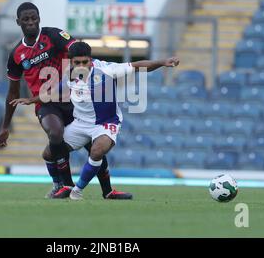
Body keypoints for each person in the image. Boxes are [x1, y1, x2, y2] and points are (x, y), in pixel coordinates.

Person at [0, 2, 132, 200]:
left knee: (93, 143)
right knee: (55, 132)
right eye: (26, 19)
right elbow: (12, 92)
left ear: (39, 18)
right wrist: (5, 126)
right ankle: (65, 184)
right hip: (46, 103)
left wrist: (87, 66)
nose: (31, 22)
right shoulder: (16, 54)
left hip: (72, 98)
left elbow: (74, 48)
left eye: (34, 18)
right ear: (18, 22)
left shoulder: (53, 36)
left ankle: (108, 191)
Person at [11, 41, 180, 200]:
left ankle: (76, 192)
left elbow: (138, 66)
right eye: (77, 63)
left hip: (106, 124)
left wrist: (163, 61)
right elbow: (56, 91)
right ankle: (60, 186)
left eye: (86, 62)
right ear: (70, 62)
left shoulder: (106, 69)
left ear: (91, 60)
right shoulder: (69, 75)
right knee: (49, 154)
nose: (82, 67)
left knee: (97, 151)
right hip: (80, 124)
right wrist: (31, 100)